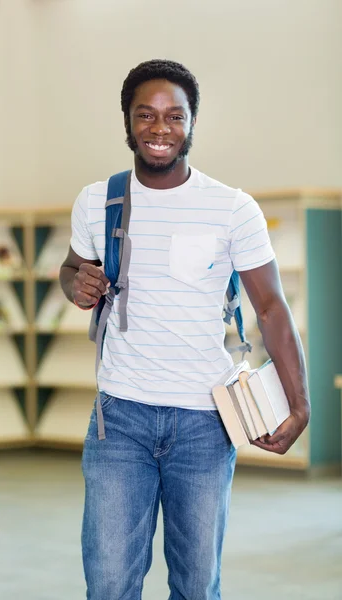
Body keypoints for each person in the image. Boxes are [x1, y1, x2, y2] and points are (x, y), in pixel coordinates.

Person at [59, 59, 310, 600]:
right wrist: (76, 284)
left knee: (197, 585)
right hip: (118, 420)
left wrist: (301, 405)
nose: (159, 128)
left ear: (193, 122)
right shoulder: (99, 200)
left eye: (175, 116)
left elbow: (271, 308)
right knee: (107, 583)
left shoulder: (232, 208)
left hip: (205, 424)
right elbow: (70, 268)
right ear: (126, 122)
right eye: (145, 115)